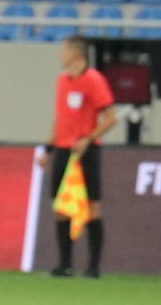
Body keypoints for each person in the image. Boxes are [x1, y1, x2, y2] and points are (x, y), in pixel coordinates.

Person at [41, 35, 116, 278]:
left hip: (86, 150)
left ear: (76, 53)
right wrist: (47, 149)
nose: (60, 54)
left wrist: (88, 138)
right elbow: (60, 118)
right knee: (60, 207)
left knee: (93, 206)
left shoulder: (94, 80)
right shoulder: (62, 80)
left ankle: (93, 267)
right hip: (63, 150)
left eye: (63, 50)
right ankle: (65, 264)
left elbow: (111, 118)